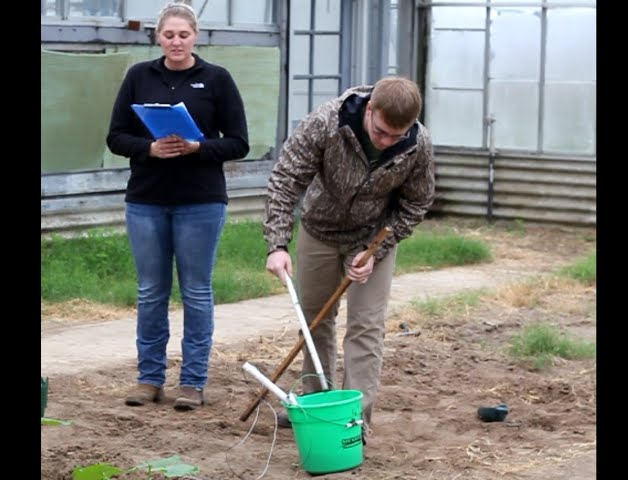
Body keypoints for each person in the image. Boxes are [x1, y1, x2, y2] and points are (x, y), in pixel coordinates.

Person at [263, 76, 436, 440]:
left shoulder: (417, 144)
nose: (387, 141)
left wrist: (378, 248)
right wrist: (277, 244)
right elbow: (285, 179)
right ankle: (318, 408)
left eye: (396, 136)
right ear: (370, 109)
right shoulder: (326, 123)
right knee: (315, 321)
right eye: (382, 132)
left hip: (372, 237)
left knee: (367, 326)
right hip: (320, 230)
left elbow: (416, 203)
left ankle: (355, 422)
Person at [106, 2, 249, 411]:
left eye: (183, 35)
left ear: (196, 36)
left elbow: (239, 142)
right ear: (158, 37)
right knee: (151, 292)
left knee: (197, 292)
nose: (176, 42)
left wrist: (197, 146)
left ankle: (192, 382)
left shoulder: (217, 79)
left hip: (200, 201)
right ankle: (149, 378)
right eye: (168, 35)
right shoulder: (138, 77)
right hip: (147, 200)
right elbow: (115, 137)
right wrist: (149, 147)